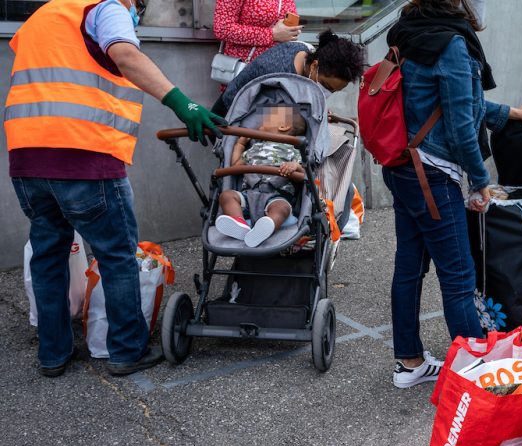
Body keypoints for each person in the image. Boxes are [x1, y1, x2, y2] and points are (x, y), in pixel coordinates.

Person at [5, 0, 225, 377]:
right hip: (84, 156)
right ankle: (126, 350)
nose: (136, 10)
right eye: (137, 4)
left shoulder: (42, 16)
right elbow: (125, 54)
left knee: (48, 255)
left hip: (27, 159)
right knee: (117, 255)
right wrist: (183, 104)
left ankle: (53, 354)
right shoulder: (105, 8)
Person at [383, 0, 522, 389]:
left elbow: (461, 105)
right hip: (433, 176)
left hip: (403, 166)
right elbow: (461, 124)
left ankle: (409, 362)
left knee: (408, 267)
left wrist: (513, 113)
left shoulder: (409, 30)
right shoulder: (452, 43)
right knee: (459, 275)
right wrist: (480, 182)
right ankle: (477, 375)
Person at [211, 30, 364, 117]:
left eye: (334, 91)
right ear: (314, 66)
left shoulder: (308, 55)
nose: (327, 93)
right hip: (230, 117)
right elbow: (268, 122)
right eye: (326, 86)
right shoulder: (277, 75)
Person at [215, 106, 306, 248]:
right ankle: (240, 224)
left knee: (282, 208)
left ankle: (266, 227)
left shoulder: (292, 151)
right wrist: (240, 144)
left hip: (276, 196)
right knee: (227, 196)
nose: (262, 119)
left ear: (283, 126)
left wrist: (295, 167)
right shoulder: (254, 149)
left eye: (269, 117)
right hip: (248, 194)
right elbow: (235, 167)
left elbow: (304, 177)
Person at [214, 0, 302, 66]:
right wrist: (271, 35)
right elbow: (222, 28)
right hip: (246, 70)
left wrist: (291, 32)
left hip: (278, 68)